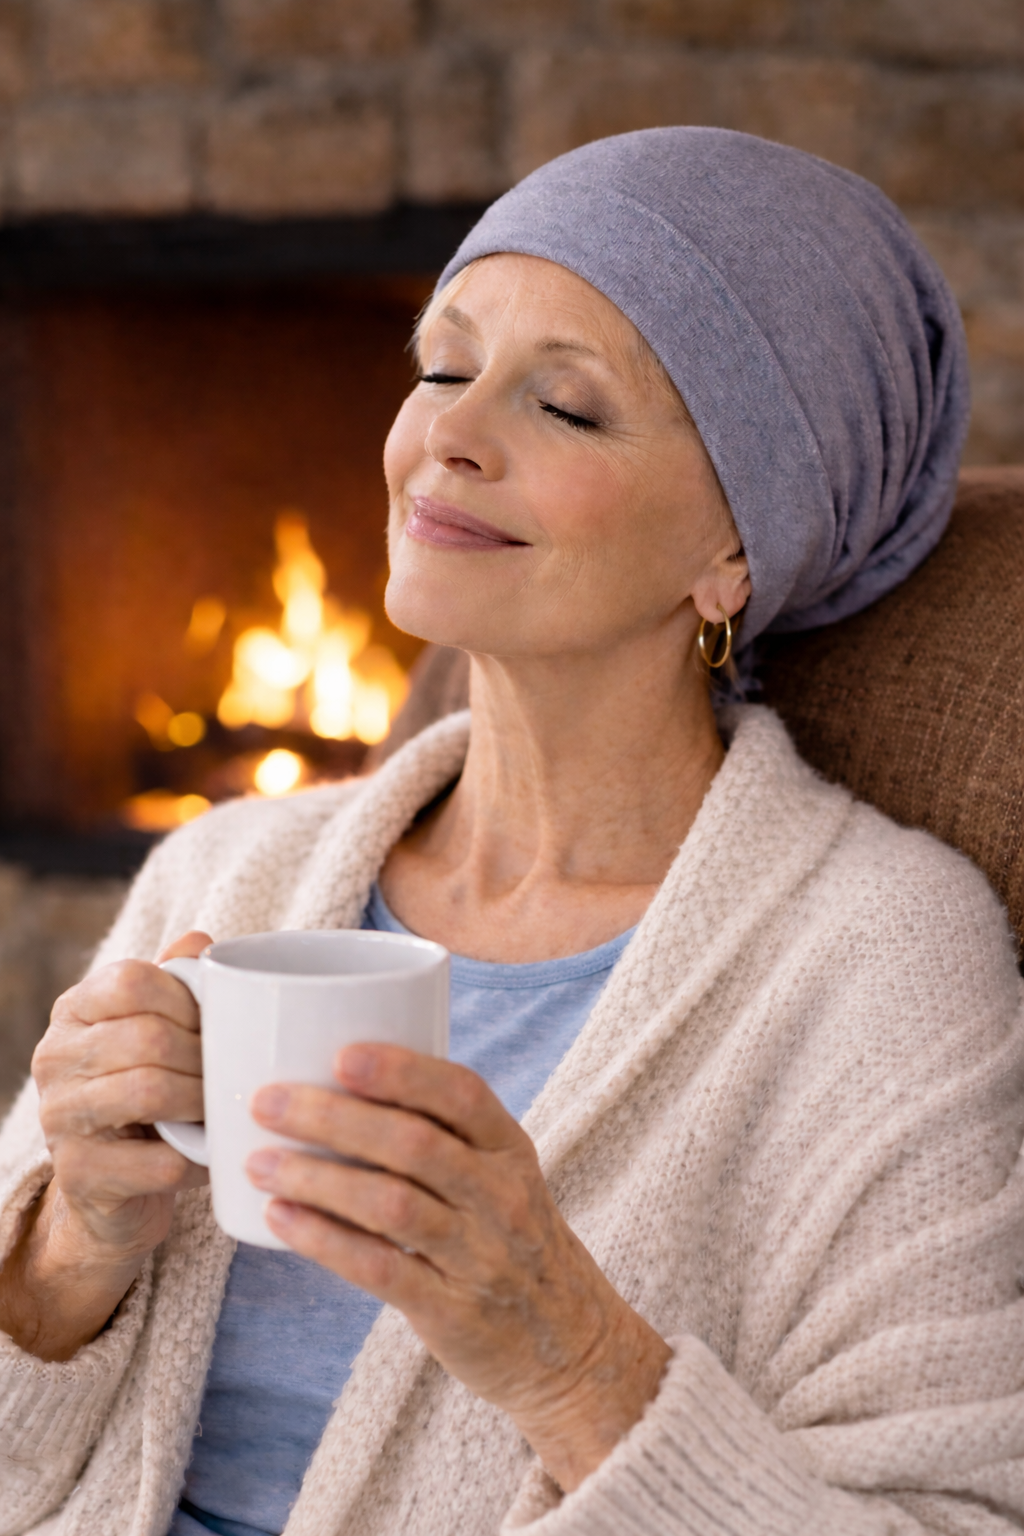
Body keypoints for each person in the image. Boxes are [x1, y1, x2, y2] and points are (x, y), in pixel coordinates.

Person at [1, 127, 1022, 1536]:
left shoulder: (879, 960)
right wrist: (72, 1245)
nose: (450, 435)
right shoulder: (227, 869)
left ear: (736, 550)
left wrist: (569, 1358)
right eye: (442, 367)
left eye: (568, 407)